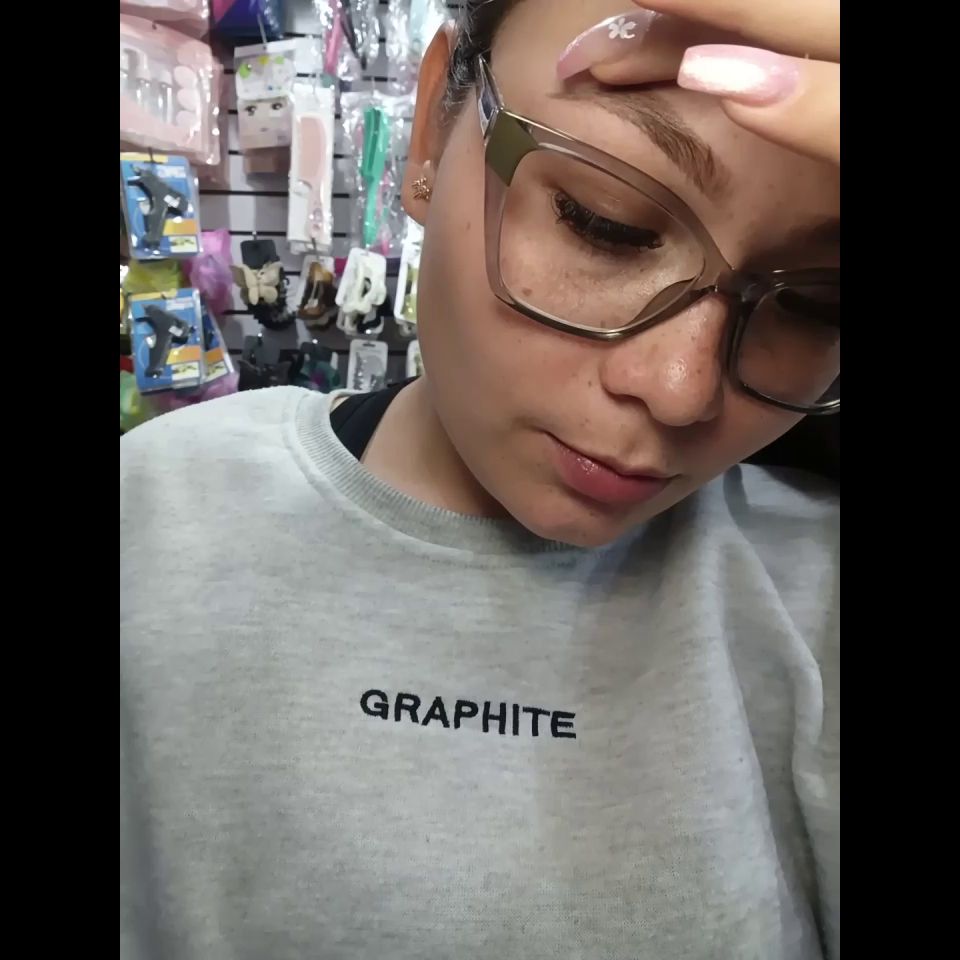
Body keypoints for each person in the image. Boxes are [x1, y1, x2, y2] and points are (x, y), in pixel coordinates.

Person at [120, 1, 840, 957]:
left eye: (817, 305)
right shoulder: (156, 522)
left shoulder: (813, 588)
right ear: (430, 128)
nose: (681, 390)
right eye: (607, 224)